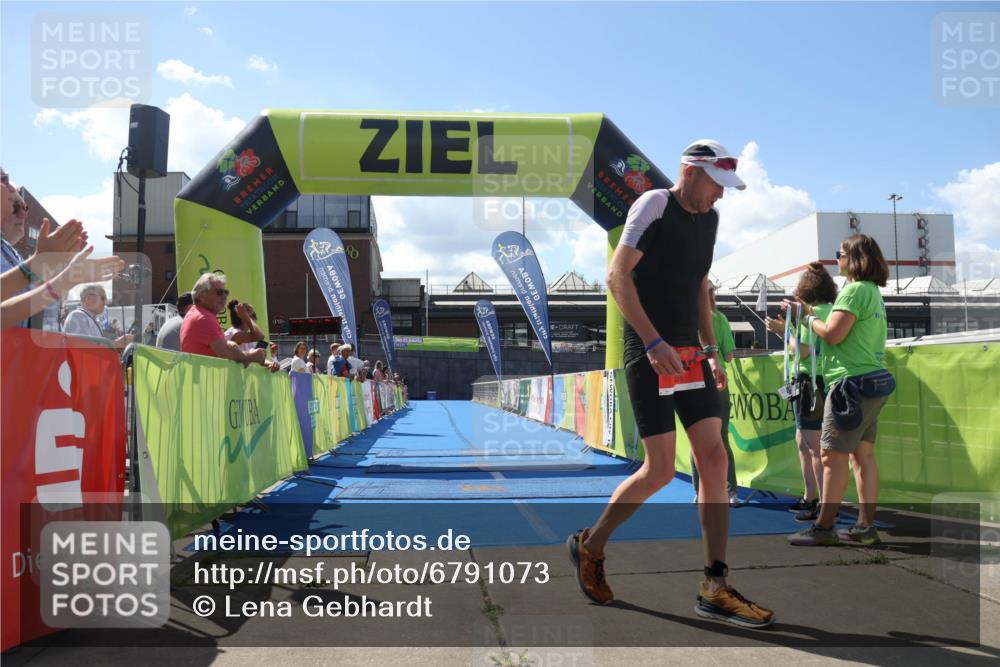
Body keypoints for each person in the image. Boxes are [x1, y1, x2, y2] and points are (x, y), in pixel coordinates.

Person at [567, 139, 773, 628]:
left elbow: (700, 286)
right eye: (717, 185)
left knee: (715, 459)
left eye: (726, 188)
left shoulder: (712, 219)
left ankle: (715, 584)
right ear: (690, 172)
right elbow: (616, 276)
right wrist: (654, 342)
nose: (721, 197)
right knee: (658, 471)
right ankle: (590, 545)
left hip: (691, 353)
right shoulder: (654, 204)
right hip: (650, 351)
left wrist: (712, 349)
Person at [787, 234, 893, 547]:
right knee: (863, 456)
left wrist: (808, 317)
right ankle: (865, 526)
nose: (838, 259)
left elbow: (832, 334)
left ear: (855, 258)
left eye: (841, 254)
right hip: (871, 380)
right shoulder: (871, 291)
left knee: (831, 456)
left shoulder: (854, 290)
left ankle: (823, 528)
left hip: (850, 383)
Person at [766, 261, 838, 522]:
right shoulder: (830, 310)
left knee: (814, 446)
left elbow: (804, 351)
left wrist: (783, 331)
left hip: (810, 383)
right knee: (805, 442)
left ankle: (820, 503)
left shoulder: (812, 313)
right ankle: (810, 497)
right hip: (819, 381)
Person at [690, 283, 739, 506]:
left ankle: (699, 491)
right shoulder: (720, 319)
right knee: (722, 438)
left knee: (696, 440)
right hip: (718, 382)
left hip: (693, 382)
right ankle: (730, 491)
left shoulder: (689, 318)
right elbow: (729, 356)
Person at [2, 246, 123, 329]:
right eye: (102, 297)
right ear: (88, 299)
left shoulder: (88, 318)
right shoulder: (78, 317)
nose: (105, 301)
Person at [180, 273, 268, 367]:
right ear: (202, 296)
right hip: (206, 378)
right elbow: (225, 354)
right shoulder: (204, 318)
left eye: (226, 292)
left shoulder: (196, 313)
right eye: (219, 292)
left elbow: (226, 349)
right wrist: (253, 356)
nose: (224, 296)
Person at [63, 284, 133, 348]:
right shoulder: (78, 316)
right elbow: (85, 350)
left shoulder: (90, 318)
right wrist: (117, 343)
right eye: (103, 298)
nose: (106, 302)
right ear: (88, 299)